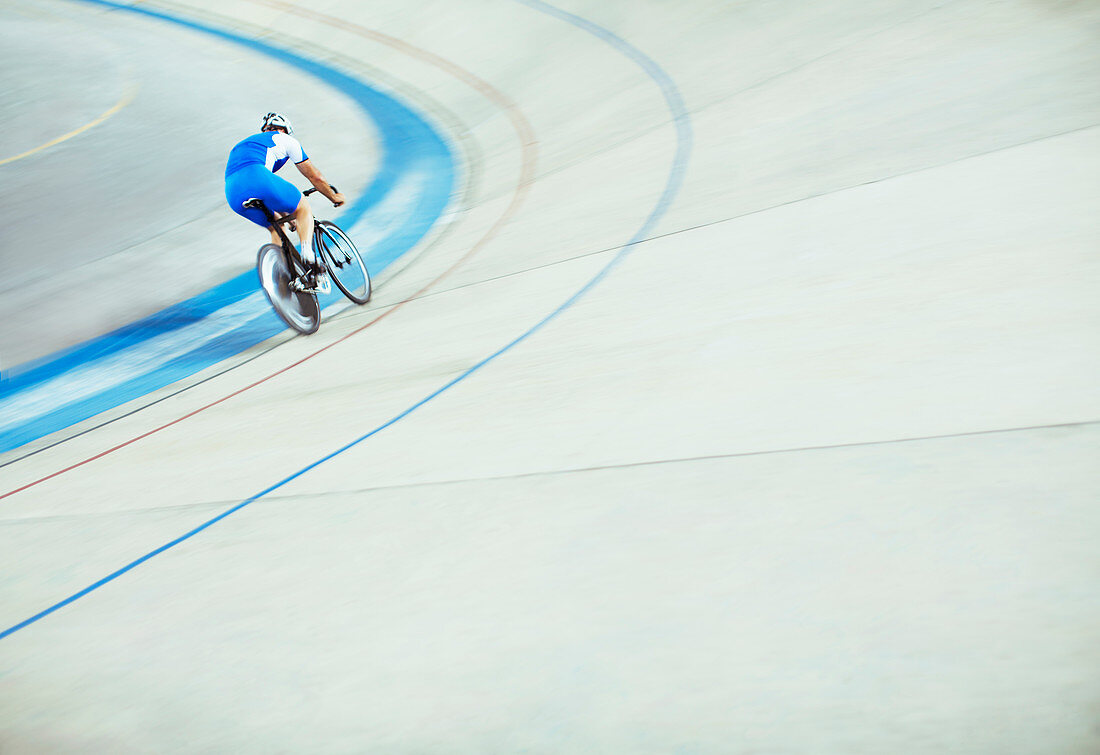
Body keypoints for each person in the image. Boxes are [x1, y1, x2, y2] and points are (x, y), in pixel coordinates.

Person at [224, 112, 345, 288]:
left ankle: (281, 276)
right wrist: (333, 196)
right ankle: (308, 256)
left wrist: (286, 215)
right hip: (257, 177)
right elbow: (315, 177)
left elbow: (263, 193)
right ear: (286, 129)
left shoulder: (251, 144)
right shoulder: (285, 139)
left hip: (232, 193)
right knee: (302, 207)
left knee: (276, 226)